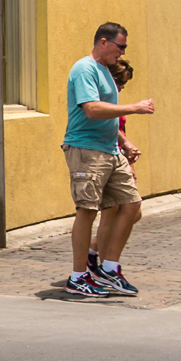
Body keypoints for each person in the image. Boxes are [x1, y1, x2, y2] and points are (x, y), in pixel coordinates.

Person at [61, 21, 154, 299]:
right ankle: (78, 277)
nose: (122, 52)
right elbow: (91, 109)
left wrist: (124, 142)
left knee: (131, 204)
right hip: (86, 150)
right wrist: (134, 107)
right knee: (87, 210)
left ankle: (109, 268)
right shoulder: (84, 69)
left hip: (110, 150)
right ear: (103, 42)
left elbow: (109, 117)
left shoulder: (104, 71)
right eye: (120, 46)